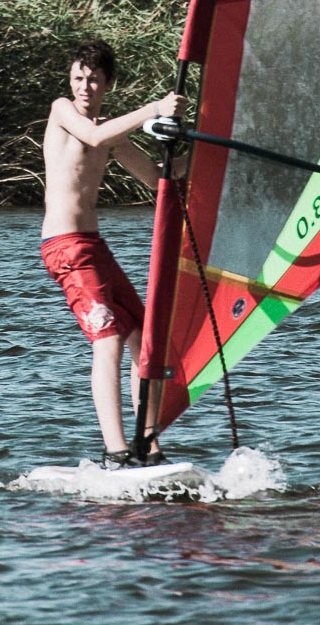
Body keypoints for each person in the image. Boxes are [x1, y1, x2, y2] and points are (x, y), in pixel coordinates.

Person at [41, 39, 186, 469]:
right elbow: (93, 135)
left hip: (94, 247)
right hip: (64, 248)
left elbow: (155, 178)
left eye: (93, 80)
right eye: (78, 78)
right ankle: (115, 452)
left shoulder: (110, 131)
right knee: (108, 341)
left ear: (108, 84)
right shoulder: (62, 111)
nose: (84, 87)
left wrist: (200, 150)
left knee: (145, 339)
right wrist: (153, 109)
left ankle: (148, 444)